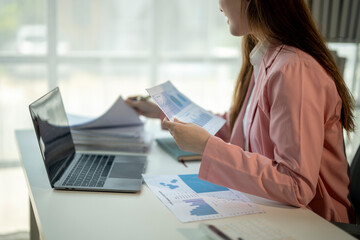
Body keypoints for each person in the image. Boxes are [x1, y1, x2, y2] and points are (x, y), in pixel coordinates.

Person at [126, 0, 355, 223]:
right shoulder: (267, 57)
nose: (218, 5)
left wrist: (207, 147)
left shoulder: (294, 70)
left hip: (316, 223)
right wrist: (163, 112)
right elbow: (240, 126)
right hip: (279, 212)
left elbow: (296, 185)